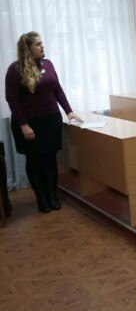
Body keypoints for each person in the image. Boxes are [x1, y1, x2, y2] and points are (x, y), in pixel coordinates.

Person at [5, 32, 82, 213]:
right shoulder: (15, 69)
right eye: (38, 44)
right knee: (34, 161)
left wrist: (69, 111)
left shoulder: (48, 64)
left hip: (51, 121)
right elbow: (12, 99)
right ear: (27, 48)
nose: (42, 46)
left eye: (42, 43)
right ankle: (42, 199)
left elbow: (58, 90)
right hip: (29, 124)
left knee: (50, 159)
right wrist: (24, 125)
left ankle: (53, 197)